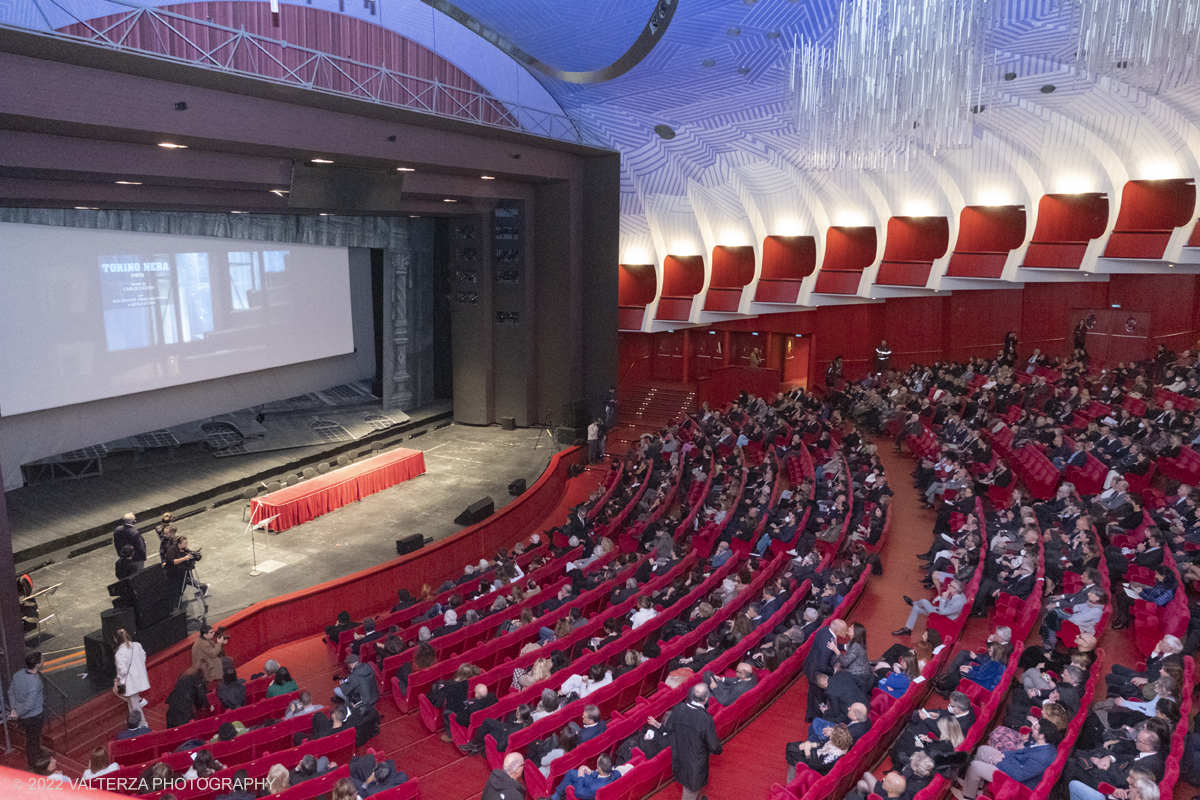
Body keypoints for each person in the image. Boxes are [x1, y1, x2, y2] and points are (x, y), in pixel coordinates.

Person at [959, 719, 1063, 798]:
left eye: (1035, 728)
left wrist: (999, 762)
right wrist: (1004, 755)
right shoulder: (1044, 744)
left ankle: (968, 796)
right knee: (982, 750)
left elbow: (1019, 775)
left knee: (974, 766)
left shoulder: (1042, 758)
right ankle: (977, 786)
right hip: (1013, 764)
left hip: (1014, 780)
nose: (1032, 729)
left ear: (1042, 736)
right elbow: (1021, 752)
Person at [654, 683, 722, 800]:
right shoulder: (706, 719)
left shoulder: (679, 708)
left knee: (691, 789)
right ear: (706, 699)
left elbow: (669, 728)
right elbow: (714, 746)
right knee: (689, 793)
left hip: (680, 757)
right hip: (695, 764)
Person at [7, 651, 45, 768]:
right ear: (37, 664)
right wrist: (17, 713)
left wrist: (14, 709)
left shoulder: (18, 674)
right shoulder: (35, 683)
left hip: (24, 715)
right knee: (32, 739)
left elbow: (10, 692)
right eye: (42, 659)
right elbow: (29, 705)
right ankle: (34, 764)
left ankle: (37, 755)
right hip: (33, 716)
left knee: (32, 738)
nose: (44, 660)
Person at [892, 581, 965, 637]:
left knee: (924, 601)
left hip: (942, 618)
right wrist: (940, 598)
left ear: (955, 590)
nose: (948, 585)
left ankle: (913, 602)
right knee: (916, 608)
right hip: (943, 612)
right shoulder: (958, 594)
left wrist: (942, 599)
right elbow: (948, 605)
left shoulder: (958, 603)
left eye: (951, 585)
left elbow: (942, 612)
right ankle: (907, 629)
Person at [113, 628, 150, 726]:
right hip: (140, 678)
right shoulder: (137, 645)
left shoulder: (119, 653)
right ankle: (139, 703)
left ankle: (143, 724)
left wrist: (118, 679)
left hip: (130, 682)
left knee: (134, 706)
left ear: (116, 639)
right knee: (133, 704)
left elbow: (123, 671)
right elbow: (143, 656)